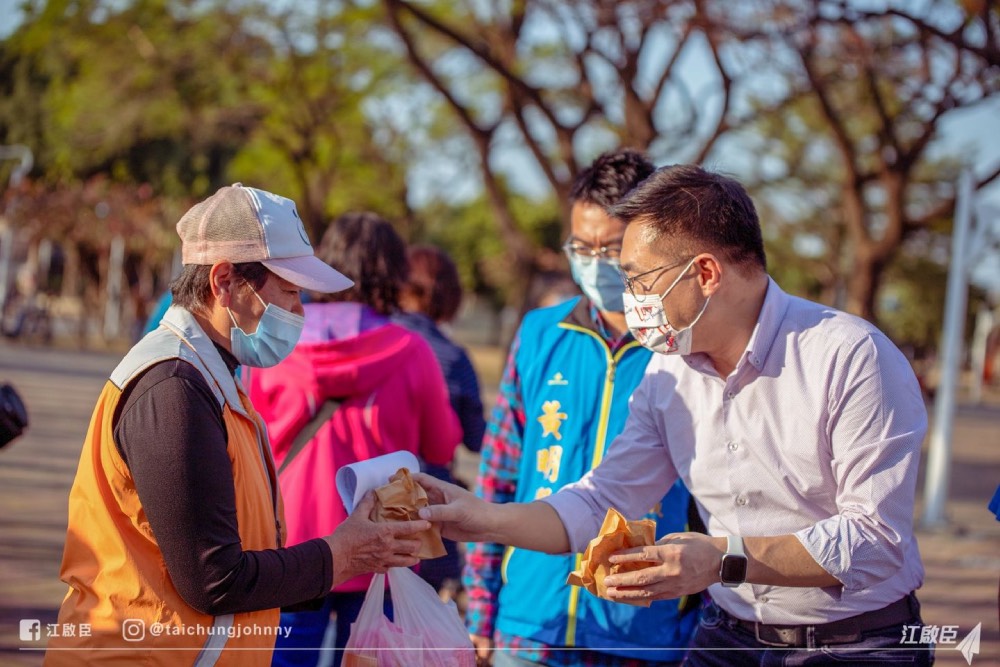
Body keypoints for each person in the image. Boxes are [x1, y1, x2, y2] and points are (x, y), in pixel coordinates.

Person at [414, 165, 935, 666]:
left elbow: (877, 541)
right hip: (731, 635)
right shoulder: (669, 373)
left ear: (705, 273)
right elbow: (603, 499)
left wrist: (723, 559)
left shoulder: (849, 355)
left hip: (855, 643)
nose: (631, 298)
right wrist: (483, 518)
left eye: (640, 279)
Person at [45, 185, 432, 667]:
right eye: (289, 291)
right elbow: (215, 579)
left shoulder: (213, 375)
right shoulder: (173, 387)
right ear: (224, 281)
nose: (299, 311)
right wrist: (341, 555)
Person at [462, 149, 698, 667]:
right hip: (529, 628)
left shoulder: (685, 352)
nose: (593, 263)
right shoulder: (539, 334)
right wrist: (481, 608)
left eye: (610, 249)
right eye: (580, 246)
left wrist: (690, 629)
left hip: (642, 634)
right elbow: (498, 477)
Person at [245, 212, 461, 667]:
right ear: (394, 273)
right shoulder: (412, 350)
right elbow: (443, 446)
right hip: (382, 543)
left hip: (289, 546)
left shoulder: (276, 346)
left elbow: (247, 440)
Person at [392, 244, 486, 594]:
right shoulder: (452, 355)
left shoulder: (372, 339)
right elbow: (477, 438)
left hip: (368, 496)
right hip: (428, 501)